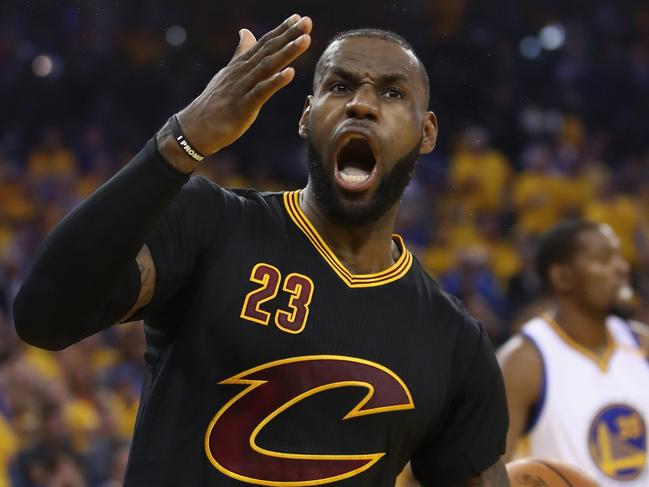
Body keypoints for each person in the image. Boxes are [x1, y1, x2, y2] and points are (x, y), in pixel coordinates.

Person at [13, 14, 509, 486]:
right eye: (339, 86)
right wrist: (182, 140)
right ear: (306, 116)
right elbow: (44, 316)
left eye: (392, 92)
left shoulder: (455, 343)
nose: (361, 104)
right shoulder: (211, 224)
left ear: (427, 132)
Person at [498, 220, 649, 486]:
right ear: (562, 277)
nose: (622, 267)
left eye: (619, 257)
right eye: (604, 259)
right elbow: (491, 474)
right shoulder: (524, 361)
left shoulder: (641, 344)